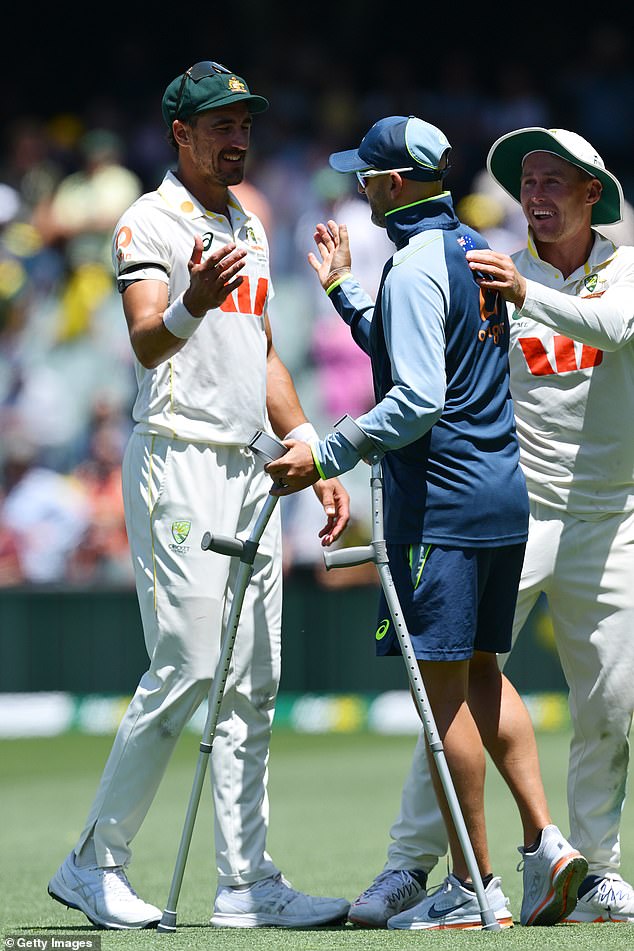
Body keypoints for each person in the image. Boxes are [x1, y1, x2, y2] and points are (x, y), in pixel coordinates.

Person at [47, 59, 351, 930]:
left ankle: (246, 882)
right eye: (221, 124)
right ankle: (93, 861)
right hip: (177, 457)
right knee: (187, 664)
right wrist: (191, 302)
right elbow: (149, 339)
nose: (238, 138)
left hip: (249, 466)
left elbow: (262, 351)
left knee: (253, 681)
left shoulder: (246, 223)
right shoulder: (149, 220)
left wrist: (309, 445)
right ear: (180, 134)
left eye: (245, 123)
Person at [265, 114, 587, 930]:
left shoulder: (411, 267)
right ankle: (546, 844)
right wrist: (343, 293)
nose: (361, 187)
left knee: (443, 702)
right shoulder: (475, 250)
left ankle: (474, 887)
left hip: (441, 505)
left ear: (392, 183)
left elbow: (415, 399)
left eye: (367, 175)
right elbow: (415, 349)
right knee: (483, 676)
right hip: (501, 494)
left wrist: (325, 455)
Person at [347, 127, 634, 927]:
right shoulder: (491, 268)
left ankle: (592, 872)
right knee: (453, 683)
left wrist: (524, 294)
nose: (534, 195)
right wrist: (343, 293)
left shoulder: (622, 270)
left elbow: (613, 328)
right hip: (516, 506)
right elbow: (419, 360)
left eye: (552, 182)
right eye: (527, 182)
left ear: (592, 194)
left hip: (613, 517)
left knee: (612, 703)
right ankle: (412, 864)